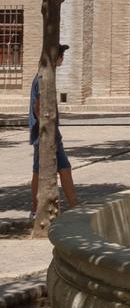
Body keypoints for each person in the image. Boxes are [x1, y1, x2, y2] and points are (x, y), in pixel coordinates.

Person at [29, 44, 78, 215]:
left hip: (51, 135)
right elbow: (39, 106)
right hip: (44, 135)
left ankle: (74, 206)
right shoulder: (43, 78)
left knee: (64, 167)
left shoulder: (45, 76)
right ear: (55, 57)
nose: (62, 58)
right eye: (61, 55)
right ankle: (36, 209)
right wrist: (47, 131)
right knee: (39, 170)